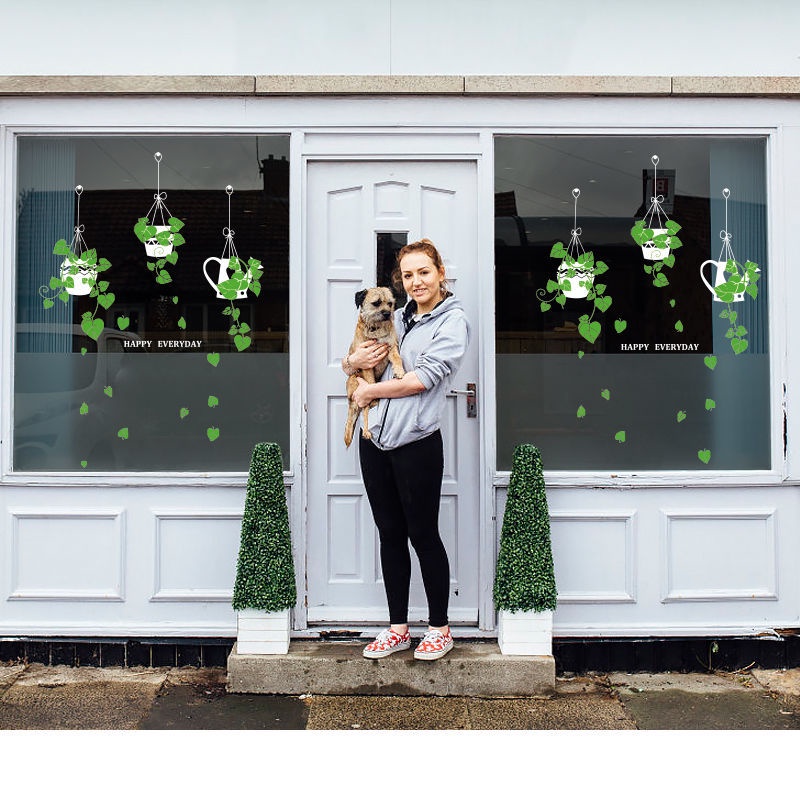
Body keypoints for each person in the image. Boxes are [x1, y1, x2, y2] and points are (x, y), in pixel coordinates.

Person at [341, 238, 471, 660]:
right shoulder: (396, 316)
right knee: (390, 533)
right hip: (374, 440)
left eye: (424, 272)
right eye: (409, 275)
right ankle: (398, 628)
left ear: (440, 274)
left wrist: (368, 392)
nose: (416, 282)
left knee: (423, 533)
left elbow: (422, 379)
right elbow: (356, 360)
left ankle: (439, 628)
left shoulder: (452, 322)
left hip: (416, 442)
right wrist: (351, 365)